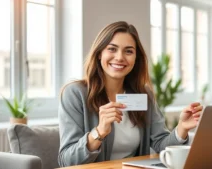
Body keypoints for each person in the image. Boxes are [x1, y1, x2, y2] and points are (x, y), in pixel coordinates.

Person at [58, 21, 203, 167]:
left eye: (128, 51)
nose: (120, 57)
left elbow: (161, 145)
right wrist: (99, 132)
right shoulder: (75, 93)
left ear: (136, 59)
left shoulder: (144, 93)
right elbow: (67, 161)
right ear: (99, 54)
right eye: (112, 49)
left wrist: (182, 128)